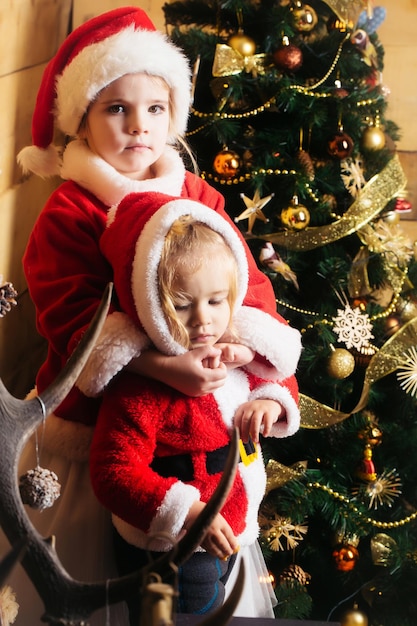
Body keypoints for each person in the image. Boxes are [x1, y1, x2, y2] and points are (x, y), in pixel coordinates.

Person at [5, 6, 302, 624]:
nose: (139, 126)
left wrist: (255, 362)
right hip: (104, 428)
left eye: (155, 109)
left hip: (206, 423)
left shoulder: (199, 196)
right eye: (116, 108)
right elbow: (69, 319)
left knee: (200, 575)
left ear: (174, 116)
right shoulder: (70, 213)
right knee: (108, 574)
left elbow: (247, 289)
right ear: (82, 120)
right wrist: (164, 369)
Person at [90, 192, 301, 623]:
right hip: (175, 547)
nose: (203, 321)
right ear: (149, 303)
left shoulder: (235, 352)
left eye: (216, 301)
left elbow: (275, 380)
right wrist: (186, 513)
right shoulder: (144, 387)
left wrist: (268, 404)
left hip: (228, 529)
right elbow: (112, 473)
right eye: (182, 305)